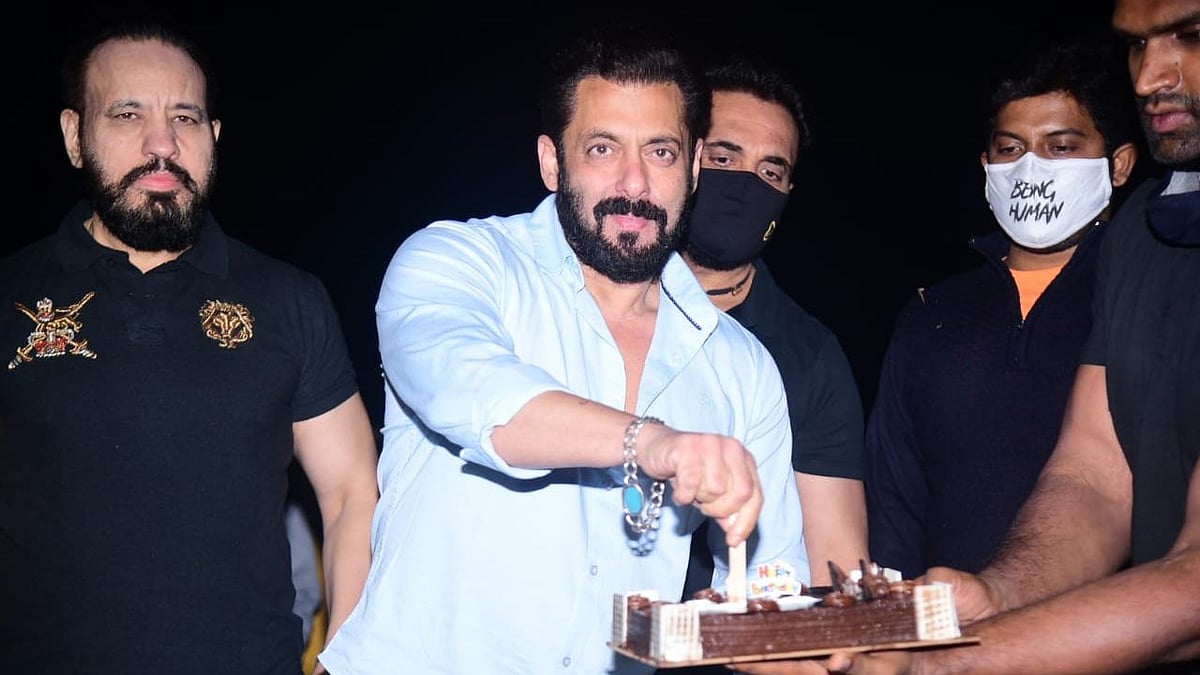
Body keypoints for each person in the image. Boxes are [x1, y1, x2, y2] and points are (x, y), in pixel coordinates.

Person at [320, 26, 808, 675]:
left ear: (693, 168)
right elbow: (483, 398)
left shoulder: (743, 368)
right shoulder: (456, 264)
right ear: (552, 162)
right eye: (603, 148)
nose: (635, 183)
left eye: (661, 152)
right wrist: (650, 442)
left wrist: (841, 646)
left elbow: (772, 590)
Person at [733, 0, 1200, 673]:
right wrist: (984, 598)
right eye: (1136, 45)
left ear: (1117, 163)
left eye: (1190, 33)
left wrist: (947, 661)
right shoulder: (1145, 245)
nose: (1151, 75)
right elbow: (1095, 474)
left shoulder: (1112, 268)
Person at [0, 22, 380, 675]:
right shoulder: (10, 292)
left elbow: (350, 492)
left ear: (215, 138)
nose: (162, 144)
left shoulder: (289, 299)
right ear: (73, 136)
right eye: (128, 115)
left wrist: (344, 660)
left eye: (185, 118)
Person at [865, 40, 1140, 580]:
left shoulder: (1149, 299)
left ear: (1119, 165)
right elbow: (893, 500)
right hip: (950, 621)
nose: (1031, 167)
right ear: (986, 166)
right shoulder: (931, 314)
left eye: (1061, 148)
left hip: (1113, 625)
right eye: (1011, 149)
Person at [680, 54, 866, 594]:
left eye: (770, 172)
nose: (745, 185)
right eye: (724, 157)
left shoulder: (807, 355)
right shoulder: (599, 299)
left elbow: (838, 569)